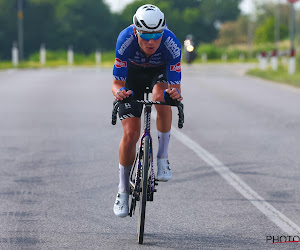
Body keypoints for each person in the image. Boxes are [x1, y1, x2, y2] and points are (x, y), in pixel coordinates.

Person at [112, 4, 183, 218]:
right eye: (145, 35)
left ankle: (162, 158)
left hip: (158, 74)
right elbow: (116, 82)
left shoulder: (171, 44)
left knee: (162, 98)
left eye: (156, 35)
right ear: (136, 31)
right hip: (131, 75)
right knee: (131, 133)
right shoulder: (125, 40)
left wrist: (175, 95)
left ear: (163, 31)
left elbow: (175, 87)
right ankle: (123, 190)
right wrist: (119, 93)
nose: (151, 41)